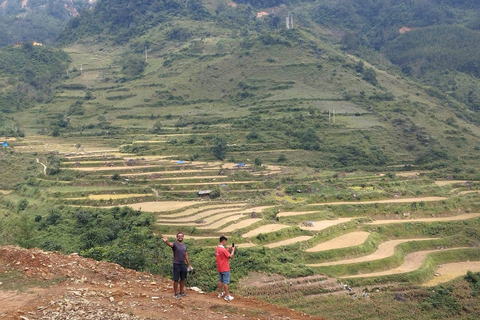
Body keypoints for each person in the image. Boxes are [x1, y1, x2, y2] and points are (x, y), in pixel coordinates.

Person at [162, 233, 192, 299]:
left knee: (183, 278)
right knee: (176, 279)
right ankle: (175, 293)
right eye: (179, 236)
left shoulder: (184, 246)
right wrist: (166, 241)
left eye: (181, 236)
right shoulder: (175, 244)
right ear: (177, 237)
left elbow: (186, 255)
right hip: (176, 264)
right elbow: (170, 244)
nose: (180, 237)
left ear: (183, 237)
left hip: (183, 264)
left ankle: (181, 292)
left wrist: (189, 264)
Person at [215, 235, 235, 301]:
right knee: (225, 282)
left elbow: (223, 253)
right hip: (225, 268)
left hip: (220, 268)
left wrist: (228, 249)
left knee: (220, 280)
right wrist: (233, 250)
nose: (225, 243)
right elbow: (230, 256)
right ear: (223, 241)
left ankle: (220, 293)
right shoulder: (223, 249)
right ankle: (227, 295)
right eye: (225, 242)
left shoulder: (217, 248)